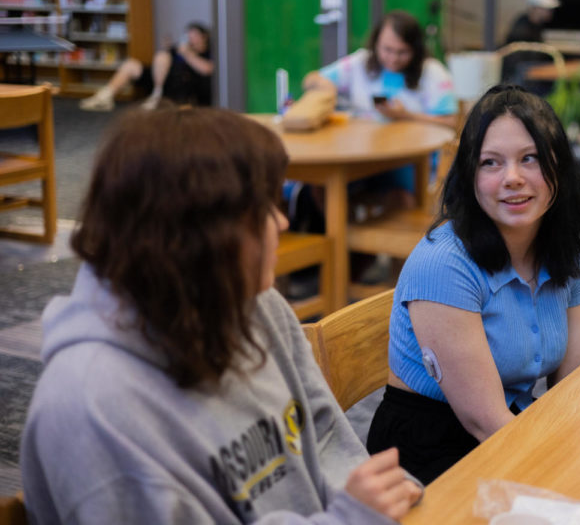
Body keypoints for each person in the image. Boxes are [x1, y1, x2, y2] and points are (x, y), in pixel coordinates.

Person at [20, 108, 422, 523]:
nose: (282, 222)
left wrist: (382, 499)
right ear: (202, 239)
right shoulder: (90, 407)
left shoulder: (252, 302)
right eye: (263, 210)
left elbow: (323, 437)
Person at [366, 84, 580, 484]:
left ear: (559, 166)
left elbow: (571, 392)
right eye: (491, 163)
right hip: (428, 453)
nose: (513, 178)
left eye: (531, 159)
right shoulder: (444, 264)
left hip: (514, 425)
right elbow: (486, 422)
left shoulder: (567, 252)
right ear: (469, 175)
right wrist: (566, 476)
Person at [302, 10, 457, 131]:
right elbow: (311, 79)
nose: (394, 58)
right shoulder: (360, 62)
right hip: (362, 149)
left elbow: (451, 123)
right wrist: (325, 87)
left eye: (403, 52)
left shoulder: (432, 71)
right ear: (375, 43)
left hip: (413, 157)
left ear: (416, 50)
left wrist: (405, 116)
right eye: (387, 50)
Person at [79, 22, 214, 112]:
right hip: (160, 77)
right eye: (189, 34)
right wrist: (169, 48)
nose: (190, 38)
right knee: (132, 64)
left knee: (162, 57)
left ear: (204, 36)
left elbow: (207, 69)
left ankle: (156, 96)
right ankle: (105, 96)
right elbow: (166, 57)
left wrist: (188, 54)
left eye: (194, 35)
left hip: (178, 84)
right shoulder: (180, 48)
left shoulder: (206, 53)